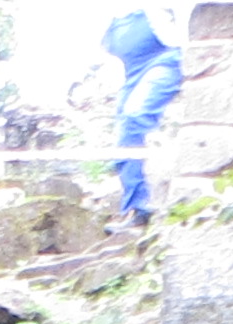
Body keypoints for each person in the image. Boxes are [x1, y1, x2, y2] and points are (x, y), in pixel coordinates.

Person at [94, 6, 182, 226]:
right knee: (123, 138)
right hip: (132, 74)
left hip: (165, 61)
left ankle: (141, 205)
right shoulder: (108, 17)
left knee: (135, 114)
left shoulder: (154, 9)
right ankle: (134, 210)